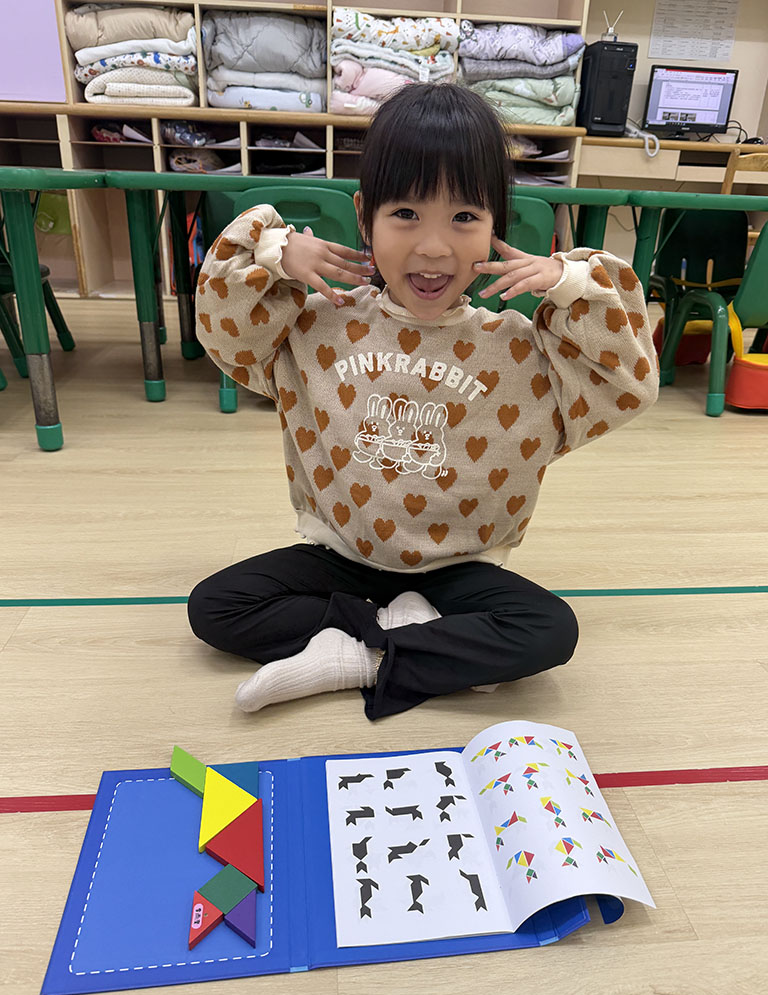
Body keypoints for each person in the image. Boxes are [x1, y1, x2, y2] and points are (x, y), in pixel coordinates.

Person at [188, 83, 658, 721]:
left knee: (550, 630)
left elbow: (627, 382)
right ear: (365, 217)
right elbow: (226, 330)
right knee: (215, 606)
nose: (435, 247)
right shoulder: (317, 326)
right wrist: (269, 253)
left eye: (464, 218)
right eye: (406, 213)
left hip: (457, 570)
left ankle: (357, 657)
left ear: (496, 225)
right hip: (344, 559)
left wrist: (575, 284)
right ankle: (418, 641)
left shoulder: (522, 349)